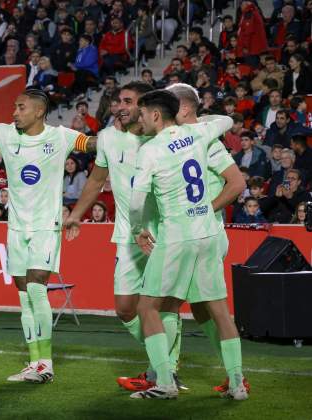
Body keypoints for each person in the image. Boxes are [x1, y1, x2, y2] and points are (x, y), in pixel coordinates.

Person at [0, 63, 95, 384]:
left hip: (45, 226)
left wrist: (127, 136)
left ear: (40, 111)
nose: (14, 112)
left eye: (20, 106)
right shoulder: (3, 134)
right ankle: (34, 362)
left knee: (37, 287)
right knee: (23, 294)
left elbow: (95, 145)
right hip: (16, 228)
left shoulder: (61, 137)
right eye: (14, 106)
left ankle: (47, 364)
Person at [128, 89, 247, 400]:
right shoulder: (199, 135)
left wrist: (138, 229)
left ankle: (164, 382)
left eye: (144, 113)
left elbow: (137, 199)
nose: (140, 118)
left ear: (156, 115)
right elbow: (226, 120)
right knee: (217, 310)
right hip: (207, 232)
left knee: (148, 307)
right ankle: (237, 384)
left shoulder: (151, 149)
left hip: (178, 235)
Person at [64, 82, 181, 391]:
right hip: (128, 236)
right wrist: (76, 214)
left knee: (162, 305)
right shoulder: (107, 138)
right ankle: (162, 362)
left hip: (164, 233)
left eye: (128, 101)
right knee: (125, 307)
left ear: (145, 107)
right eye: (117, 101)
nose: (119, 106)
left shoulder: (162, 137)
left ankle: (164, 371)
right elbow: (97, 179)